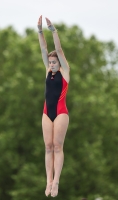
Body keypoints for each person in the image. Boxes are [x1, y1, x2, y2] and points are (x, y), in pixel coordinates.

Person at [37, 15, 70, 197]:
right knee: (48, 146)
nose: (51, 64)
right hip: (46, 113)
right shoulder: (48, 70)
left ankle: (56, 181)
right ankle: (48, 181)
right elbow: (44, 48)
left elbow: (58, 49)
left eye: (54, 62)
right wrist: (40, 30)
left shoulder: (64, 72)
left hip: (61, 113)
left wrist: (52, 30)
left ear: (60, 63)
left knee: (57, 146)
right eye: (50, 62)